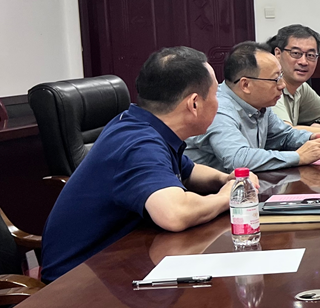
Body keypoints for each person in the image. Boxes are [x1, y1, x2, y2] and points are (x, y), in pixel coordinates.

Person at [41, 47, 242, 282]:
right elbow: (175, 214)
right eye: (216, 94)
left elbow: (188, 171)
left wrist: (225, 179)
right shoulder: (138, 143)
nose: (218, 103)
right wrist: (227, 197)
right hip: (76, 282)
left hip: (118, 263)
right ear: (194, 104)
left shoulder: (142, 125)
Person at [186, 42, 320, 172]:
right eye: (275, 79)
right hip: (205, 195)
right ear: (246, 85)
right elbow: (238, 159)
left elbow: (284, 136)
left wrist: (313, 139)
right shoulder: (219, 109)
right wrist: (298, 157)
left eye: (281, 76)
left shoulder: (260, 104)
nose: (282, 85)